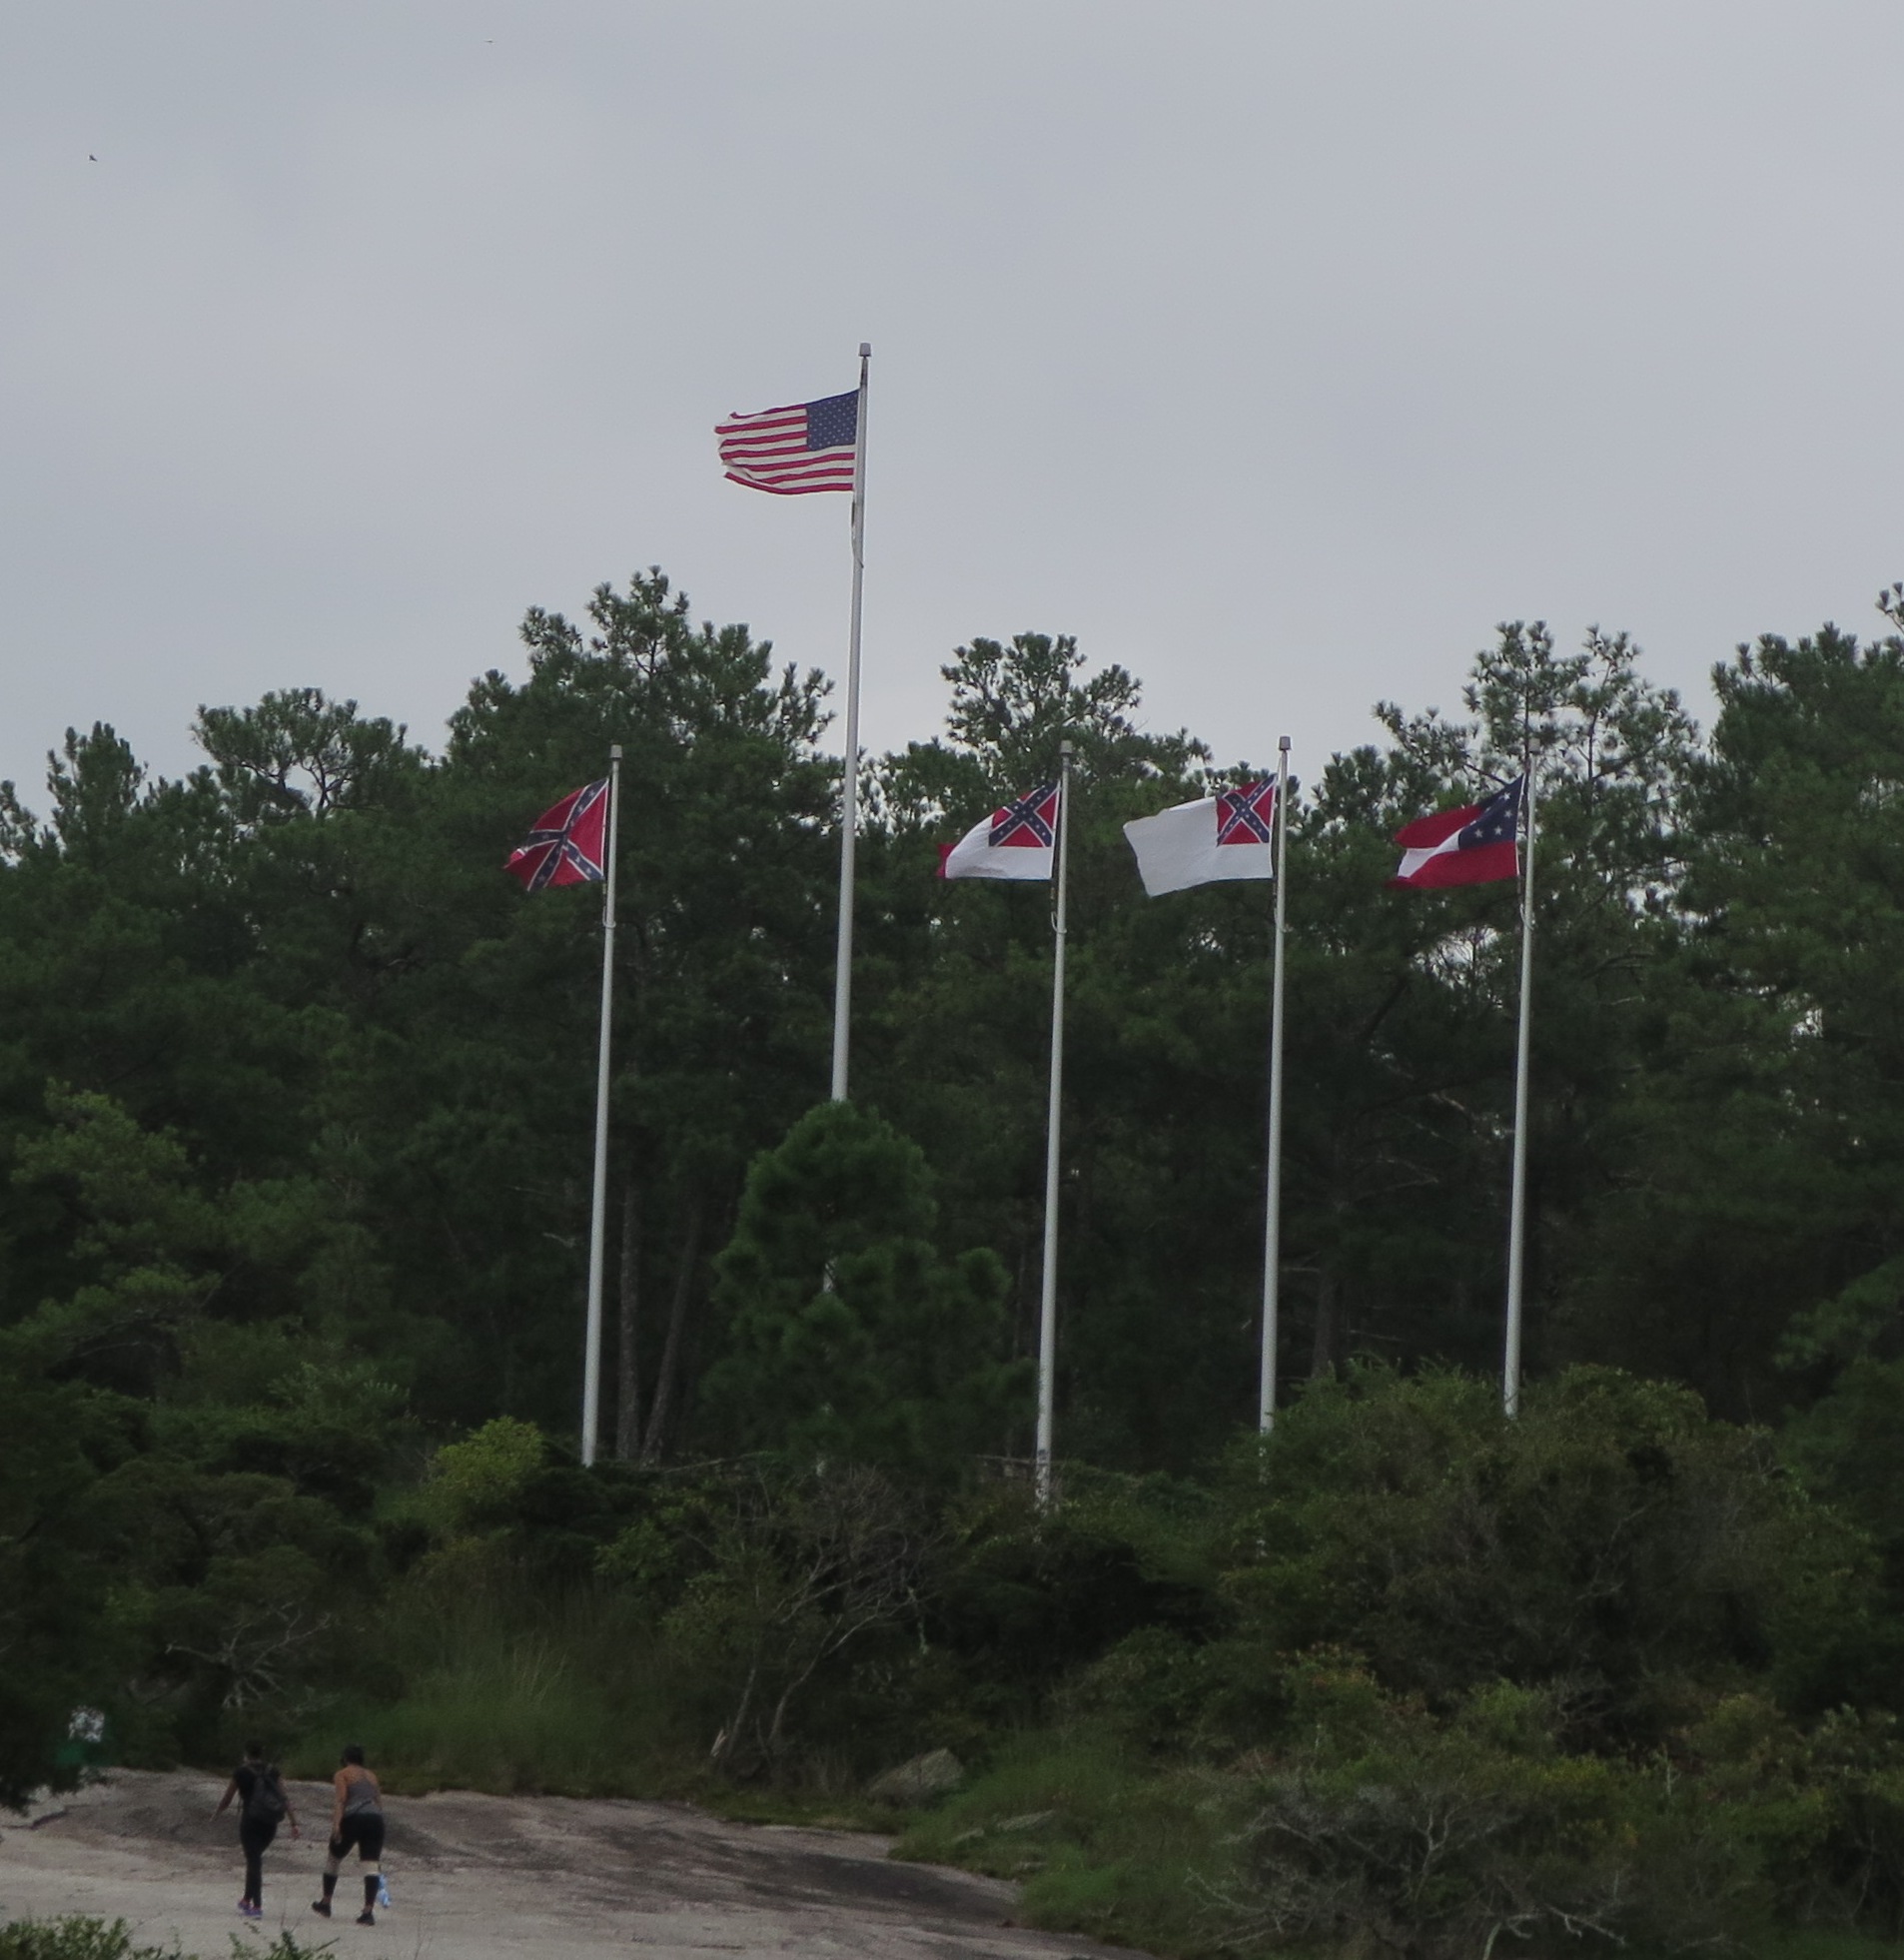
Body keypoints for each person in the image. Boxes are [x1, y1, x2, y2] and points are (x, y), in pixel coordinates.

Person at [212, 1740, 300, 1921]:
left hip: (250, 1821)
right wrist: (293, 1823)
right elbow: (284, 1798)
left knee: (254, 1862)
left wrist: (216, 1815)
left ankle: (257, 1906)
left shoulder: (240, 1773)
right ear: (261, 1753)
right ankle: (246, 1899)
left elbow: (227, 1799)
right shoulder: (273, 1771)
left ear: (246, 1754)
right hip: (270, 1822)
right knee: (255, 1859)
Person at [313, 1743, 386, 1927]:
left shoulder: (342, 1774)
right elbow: (378, 1801)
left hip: (354, 1818)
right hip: (375, 1819)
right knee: (370, 1864)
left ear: (345, 1758)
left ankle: (326, 1902)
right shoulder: (371, 1775)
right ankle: (368, 1911)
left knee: (334, 1857)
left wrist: (336, 1825)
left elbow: (341, 1800)